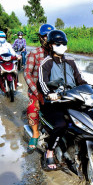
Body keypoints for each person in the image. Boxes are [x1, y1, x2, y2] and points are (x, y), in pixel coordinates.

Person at [37, 29, 87, 171]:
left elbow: (79, 80)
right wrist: (49, 94)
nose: (62, 46)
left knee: (87, 119)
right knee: (61, 124)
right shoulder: (46, 63)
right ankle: (50, 151)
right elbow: (42, 83)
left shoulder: (71, 61)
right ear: (51, 45)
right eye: (58, 44)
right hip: (53, 103)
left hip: (71, 100)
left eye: (63, 43)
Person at [23, 24, 55, 152]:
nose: (46, 39)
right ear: (40, 38)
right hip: (37, 90)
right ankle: (35, 132)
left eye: (49, 36)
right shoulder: (35, 54)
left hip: (54, 90)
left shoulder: (57, 53)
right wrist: (37, 93)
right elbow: (26, 73)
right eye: (44, 36)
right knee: (32, 107)